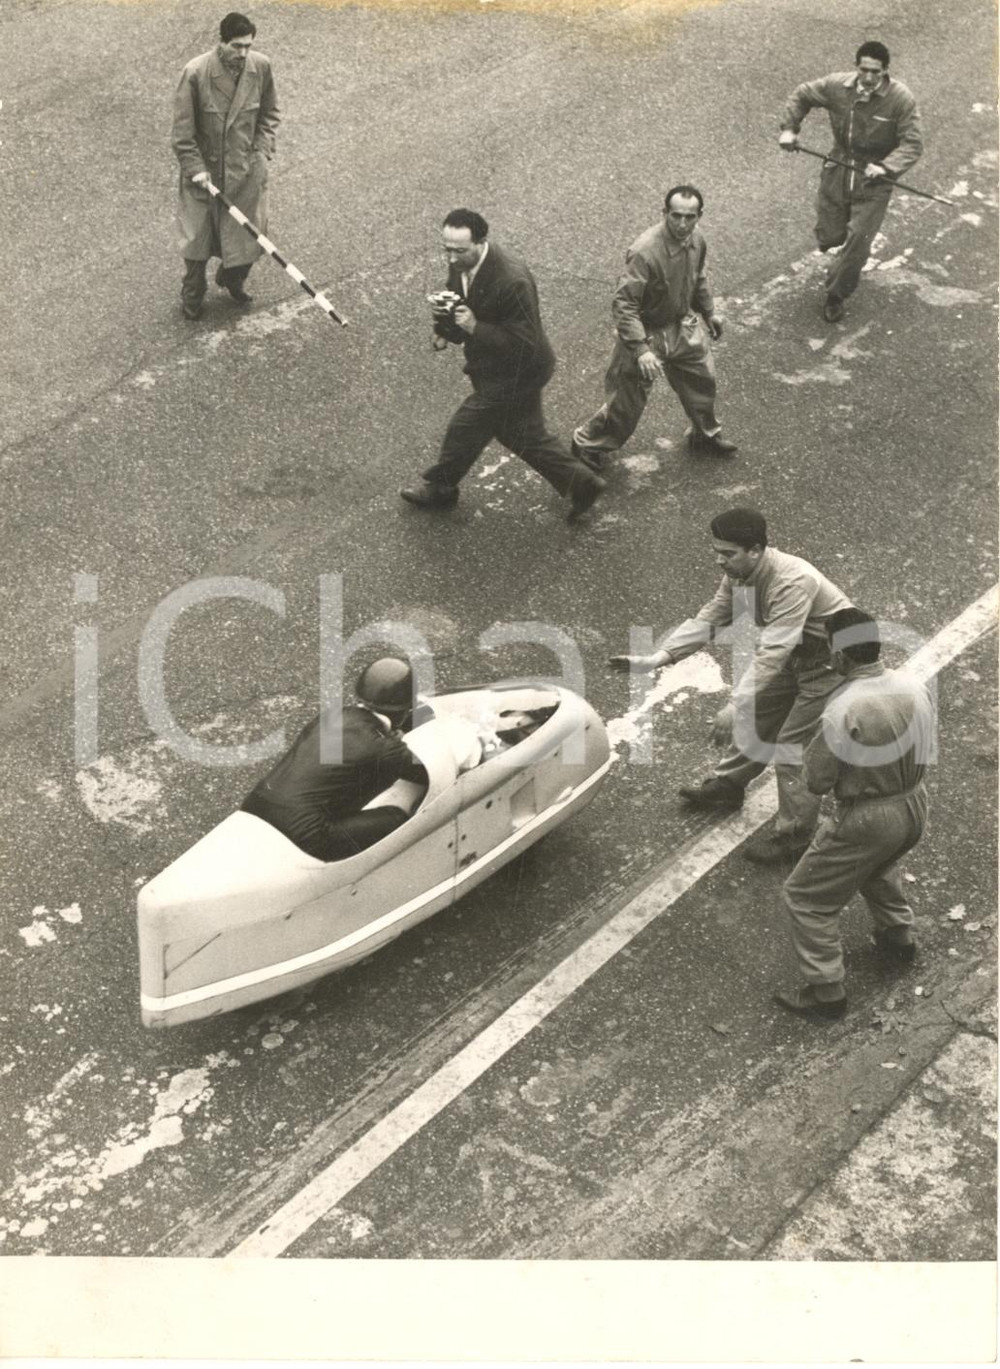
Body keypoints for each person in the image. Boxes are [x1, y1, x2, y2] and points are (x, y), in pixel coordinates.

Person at [609, 508, 851, 863]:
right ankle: (729, 785)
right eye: (717, 551)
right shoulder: (741, 573)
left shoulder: (792, 581)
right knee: (758, 719)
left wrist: (735, 703)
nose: (719, 561)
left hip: (829, 662)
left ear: (755, 549)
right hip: (796, 657)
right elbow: (712, 615)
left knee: (790, 749)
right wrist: (659, 658)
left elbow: (775, 649)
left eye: (728, 553)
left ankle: (795, 835)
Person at [774, 608, 935, 1020]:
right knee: (878, 866)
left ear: (841, 657)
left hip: (868, 815)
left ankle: (826, 990)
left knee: (806, 898)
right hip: (915, 803)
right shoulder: (914, 686)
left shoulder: (841, 708)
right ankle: (898, 936)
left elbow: (817, 782)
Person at [400, 209, 606, 522]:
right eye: (447, 250)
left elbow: (525, 343)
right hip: (495, 368)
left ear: (481, 242)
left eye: (460, 250)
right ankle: (583, 483)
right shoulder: (463, 262)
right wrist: (444, 328)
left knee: (466, 426)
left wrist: (473, 328)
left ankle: (441, 487)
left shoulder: (512, 280)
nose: (452, 259)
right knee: (522, 435)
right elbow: (456, 296)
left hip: (519, 372)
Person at [571, 186, 738, 467]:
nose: (682, 224)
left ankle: (704, 434)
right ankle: (587, 444)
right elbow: (625, 305)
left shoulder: (697, 239)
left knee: (702, 382)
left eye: (689, 216)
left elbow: (698, 278)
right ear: (664, 213)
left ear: (699, 216)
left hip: (683, 326)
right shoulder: (644, 251)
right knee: (626, 402)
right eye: (676, 216)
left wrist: (710, 313)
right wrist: (640, 350)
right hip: (647, 333)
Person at [779, 41, 923, 322]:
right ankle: (840, 254)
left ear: (885, 71)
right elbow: (802, 95)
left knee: (858, 241)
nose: (868, 78)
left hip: (875, 179)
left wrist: (886, 166)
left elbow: (913, 143)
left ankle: (836, 294)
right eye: (864, 70)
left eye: (876, 72)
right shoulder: (837, 86)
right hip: (839, 167)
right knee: (831, 235)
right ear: (856, 67)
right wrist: (789, 129)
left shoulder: (900, 99)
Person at [241, 658, 429, 861]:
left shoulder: (333, 716)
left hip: (256, 806)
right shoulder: (386, 748)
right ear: (404, 710)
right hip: (307, 833)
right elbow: (425, 773)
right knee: (397, 817)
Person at [171, 12, 280, 321]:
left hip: (245, 172)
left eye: (248, 46)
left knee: (249, 238)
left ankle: (233, 279)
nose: (242, 53)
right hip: (204, 175)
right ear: (221, 42)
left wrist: (260, 152)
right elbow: (181, 134)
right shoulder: (195, 73)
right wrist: (195, 168)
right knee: (196, 243)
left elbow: (270, 115)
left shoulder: (261, 67)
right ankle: (192, 293)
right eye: (236, 46)